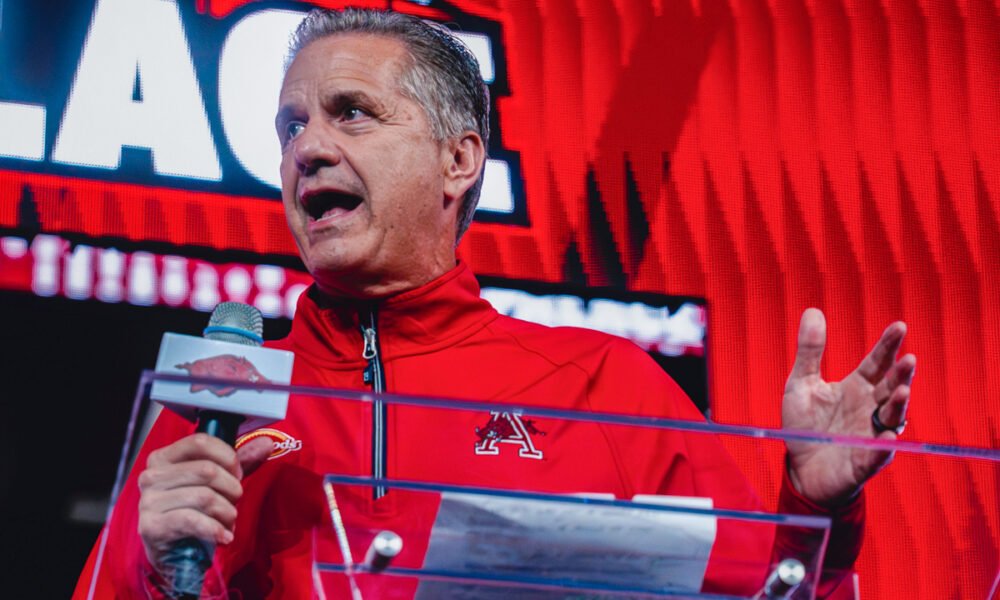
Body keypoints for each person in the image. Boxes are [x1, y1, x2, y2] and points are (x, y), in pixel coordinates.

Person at [73, 8, 915, 599]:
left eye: (351, 114)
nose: (308, 149)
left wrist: (816, 508)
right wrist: (152, 568)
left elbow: (771, 589)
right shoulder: (221, 402)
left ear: (459, 160)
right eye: (291, 128)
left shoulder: (604, 388)